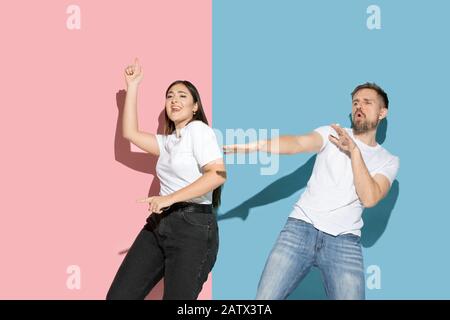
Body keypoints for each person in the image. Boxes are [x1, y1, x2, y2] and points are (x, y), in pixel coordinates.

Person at [223, 83, 399, 300]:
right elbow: (297, 143)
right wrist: (256, 146)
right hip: (300, 230)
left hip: (344, 242)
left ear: (382, 112)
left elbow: (370, 197)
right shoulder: (331, 133)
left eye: (367, 102)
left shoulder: (388, 161)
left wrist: (354, 151)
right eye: (355, 102)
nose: (359, 106)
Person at [107, 59, 226, 300]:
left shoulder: (199, 130)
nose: (174, 100)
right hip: (159, 224)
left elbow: (217, 174)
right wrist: (133, 86)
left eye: (182, 95)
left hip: (192, 227)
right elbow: (130, 133)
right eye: (170, 95)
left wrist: (168, 199)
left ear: (195, 107)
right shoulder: (167, 141)